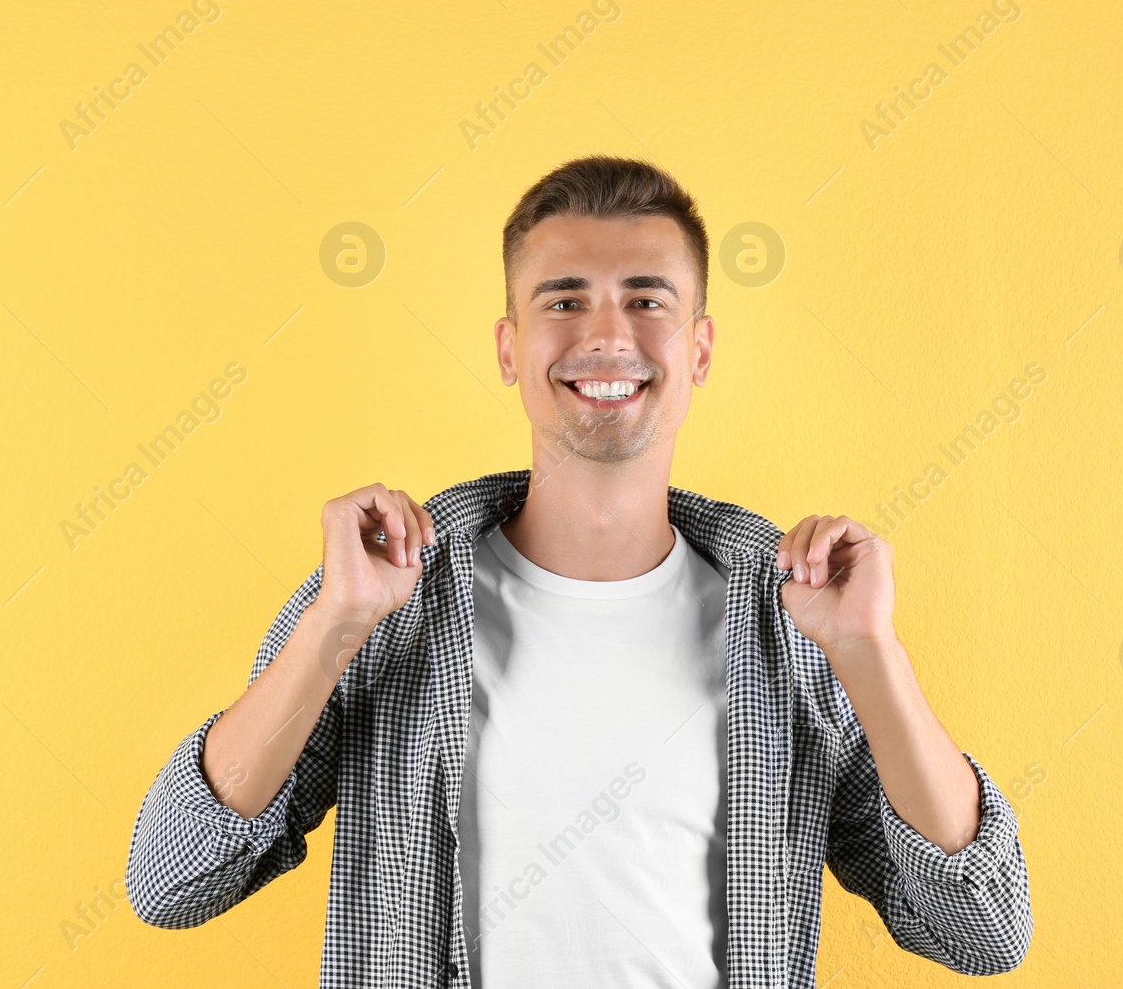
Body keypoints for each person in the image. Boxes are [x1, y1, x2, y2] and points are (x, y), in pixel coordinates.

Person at [125, 155, 1032, 987]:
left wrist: (869, 651)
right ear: (510, 348)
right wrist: (331, 629)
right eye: (564, 301)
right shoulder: (386, 601)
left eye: (647, 299)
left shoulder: (792, 622)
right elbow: (173, 880)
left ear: (701, 348)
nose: (608, 334)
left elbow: (981, 928)